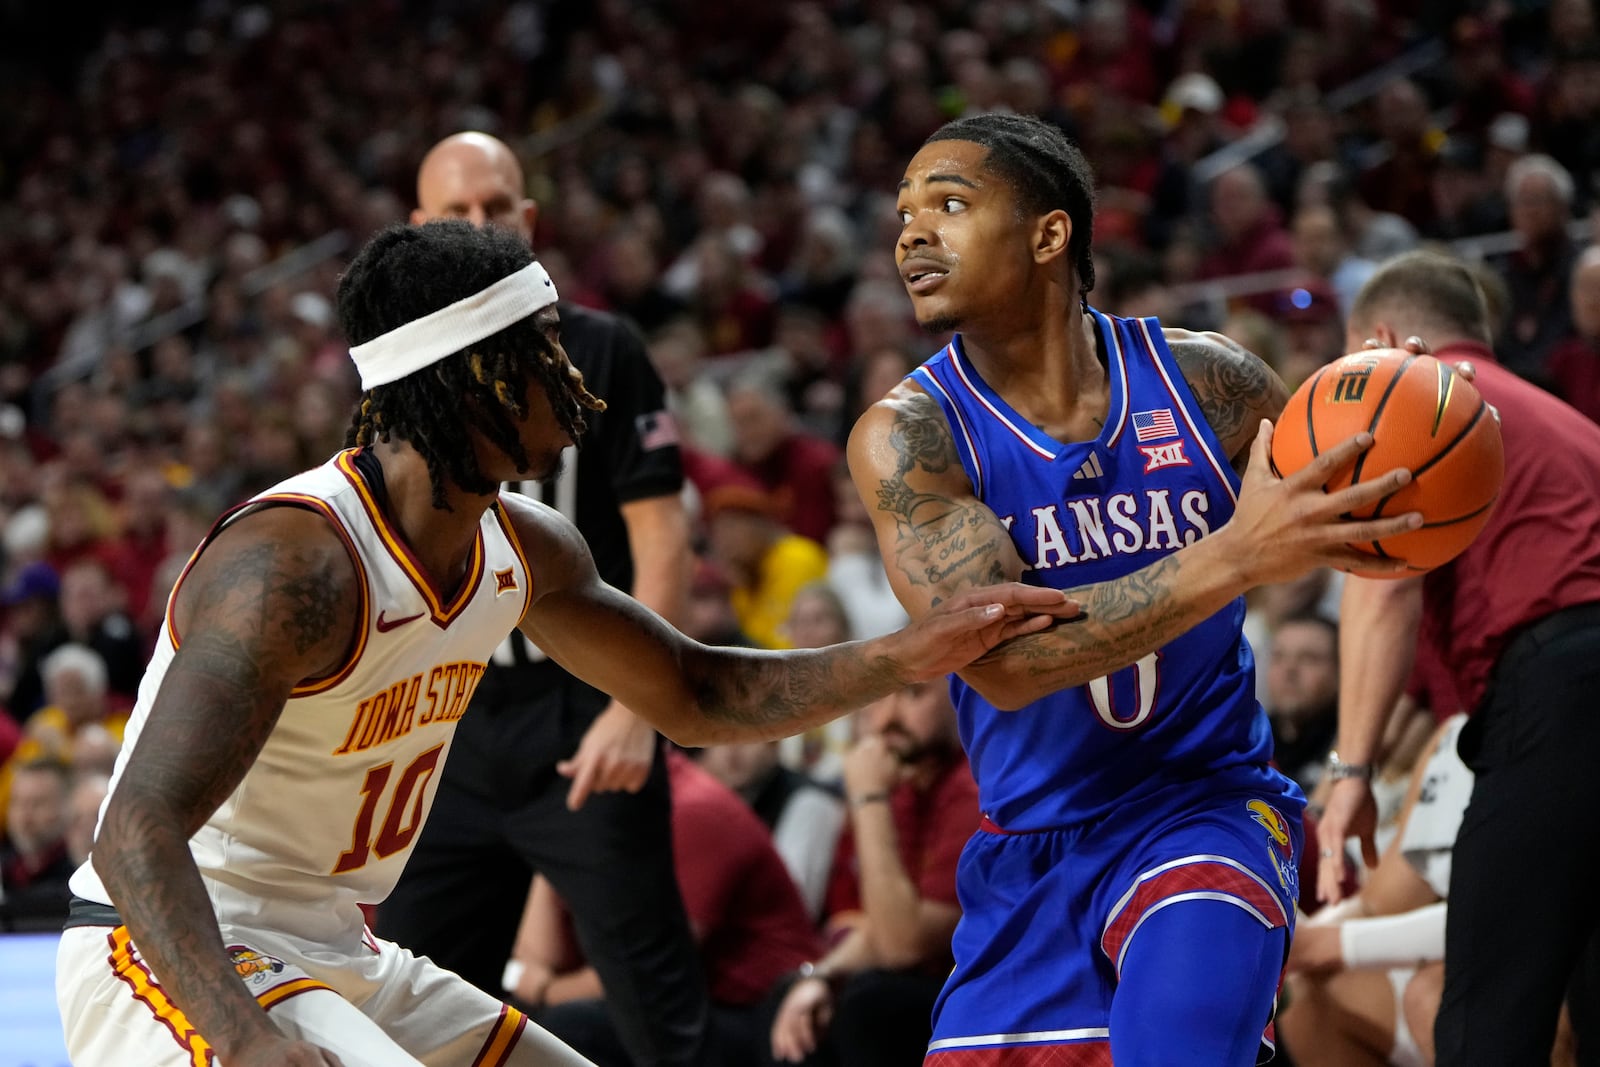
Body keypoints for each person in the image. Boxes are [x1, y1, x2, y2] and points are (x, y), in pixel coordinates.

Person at [53, 219, 1073, 1067]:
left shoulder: (524, 545)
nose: (572, 367)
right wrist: (242, 1039)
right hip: (174, 946)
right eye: (543, 345)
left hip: (331, 942)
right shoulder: (297, 565)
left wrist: (905, 654)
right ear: (469, 379)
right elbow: (133, 825)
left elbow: (694, 691)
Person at [847, 112, 1424, 1064]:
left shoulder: (1209, 385)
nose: (911, 232)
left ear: (1049, 234)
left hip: (1208, 805)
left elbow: (1358, 527)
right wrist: (1234, 556)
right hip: (1030, 848)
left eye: (948, 204)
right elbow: (1010, 668)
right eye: (904, 211)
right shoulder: (911, 437)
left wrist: (1395, 419)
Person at [379, 132, 708, 1067]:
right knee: (411, 1003)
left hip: (582, 705)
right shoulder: (396, 372)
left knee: (654, 1004)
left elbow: (660, 537)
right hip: (452, 721)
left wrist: (634, 706)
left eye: (496, 209)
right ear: (419, 230)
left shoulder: (602, 349)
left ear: (529, 220)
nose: (480, 227)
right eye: (457, 212)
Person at [1317, 249, 1600, 1067]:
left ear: (1377, 338)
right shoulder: (1563, 419)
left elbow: (1381, 588)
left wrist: (1351, 775)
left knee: (1487, 1010)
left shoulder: (1407, 392)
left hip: (1558, 684)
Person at [510, 750, 823, 1066]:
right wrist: (552, 838)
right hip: (684, 1000)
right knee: (520, 1021)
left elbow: (647, 972)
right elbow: (536, 959)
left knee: (569, 1025)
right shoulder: (588, 803)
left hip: (764, 1016)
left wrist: (545, 990)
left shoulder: (695, 807)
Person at [767, 681, 978, 1067]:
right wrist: (820, 976)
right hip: (905, 977)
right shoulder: (905, 782)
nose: (889, 717)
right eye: (878, 698)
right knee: (795, 998)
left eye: (914, 694)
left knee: (872, 1004)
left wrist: (868, 798)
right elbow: (878, 927)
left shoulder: (970, 787)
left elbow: (903, 944)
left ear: (958, 700)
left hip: (968, 987)